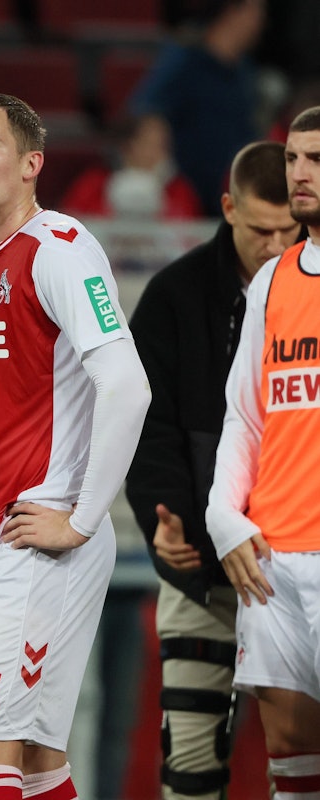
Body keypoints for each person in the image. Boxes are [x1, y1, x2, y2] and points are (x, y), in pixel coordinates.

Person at [0, 92, 150, 799]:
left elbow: (127, 385)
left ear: (32, 163)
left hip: (36, 543)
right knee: (33, 758)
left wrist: (82, 518)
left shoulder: (57, 247)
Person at [125, 140, 301, 800]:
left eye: (290, 229)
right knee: (191, 769)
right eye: (260, 230)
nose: (275, 243)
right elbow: (148, 431)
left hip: (298, 567)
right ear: (227, 209)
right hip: (201, 569)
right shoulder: (173, 296)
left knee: (298, 755)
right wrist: (161, 524)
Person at [206, 106, 320, 799]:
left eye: (315, 159)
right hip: (272, 556)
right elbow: (245, 413)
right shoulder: (273, 281)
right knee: (290, 750)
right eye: (293, 158)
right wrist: (223, 514)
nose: (299, 173)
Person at [129, 0, 266, 215]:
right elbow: (147, 111)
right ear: (232, 12)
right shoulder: (185, 59)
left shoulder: (244, 73)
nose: (260, 22)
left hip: (230, 203)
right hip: (186, 204)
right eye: (255, 12)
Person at [60, 114, 203, 220]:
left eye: (162, 145)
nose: (156, 153)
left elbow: (191, 236)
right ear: (127, 146)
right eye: (148, 143)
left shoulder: (180, 190)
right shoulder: (93, 185)